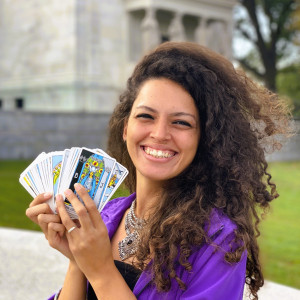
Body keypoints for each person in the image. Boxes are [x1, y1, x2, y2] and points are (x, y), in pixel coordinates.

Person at [26, 41, 292, 300]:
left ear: (204, 139)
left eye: (181, 122)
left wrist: (100, 270)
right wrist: (77, 260)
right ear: (125, 127)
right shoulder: (104, 215)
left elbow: (100, 274)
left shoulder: (219, 242)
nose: (160, 134)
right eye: (146, 116)